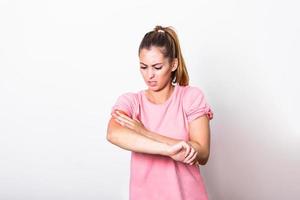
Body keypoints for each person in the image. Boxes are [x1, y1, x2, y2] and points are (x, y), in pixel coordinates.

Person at [106, 25, 214, 200]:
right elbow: (113, 134)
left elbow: (202, 153)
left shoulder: (191, 97)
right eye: (143, 67)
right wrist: (171, 149)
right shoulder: (131, 102)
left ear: (173, 64)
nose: (149, 75)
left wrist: (145, 133)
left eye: (157, 67)